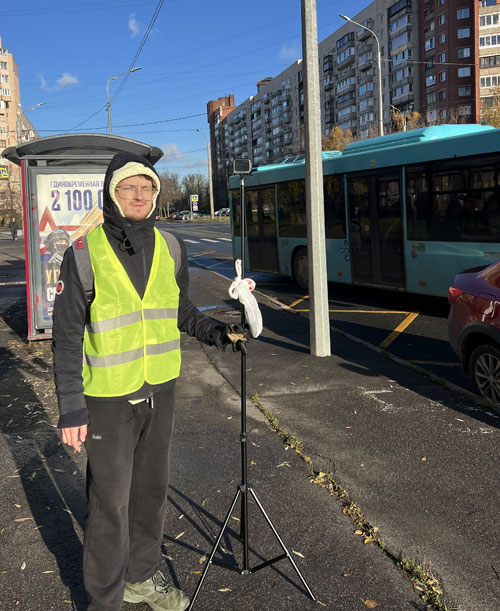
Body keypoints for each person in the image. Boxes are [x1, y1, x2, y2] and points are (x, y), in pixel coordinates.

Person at [52, 152, 246, 611]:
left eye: (146, 189)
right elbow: (65, 337)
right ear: (111, 194)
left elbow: (179, 311)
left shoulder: (172, 246)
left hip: (160, 390)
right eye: (128, 189)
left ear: (156, 195)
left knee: (151, 494)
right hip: (107, 398)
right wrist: (71, 407)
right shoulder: (83, 254)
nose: (138, 197)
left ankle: (140, 578)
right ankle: (105, 599)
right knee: (109, 503)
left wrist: (218, 333)